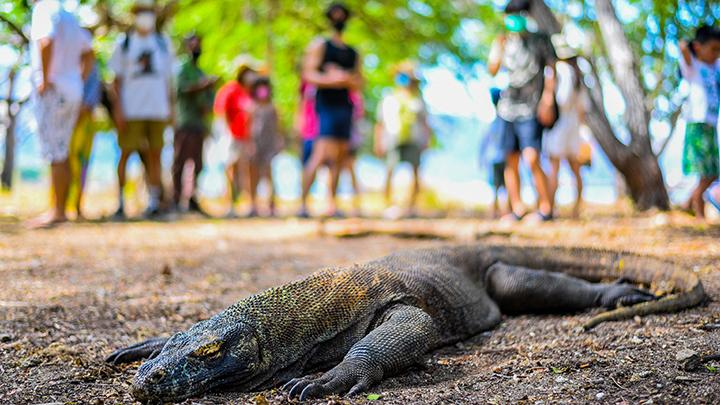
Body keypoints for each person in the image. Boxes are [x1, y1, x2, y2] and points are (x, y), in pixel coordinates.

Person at [487, 0, 557, 223]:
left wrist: (548, 99)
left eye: (517, 13)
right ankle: (517, 208)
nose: (513, 18)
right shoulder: (503, 41)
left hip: (531, 107)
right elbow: (492, 70)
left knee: (532, 157)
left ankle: (546, 208)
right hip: (507, 108)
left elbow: (551, 70)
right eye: (509, 14)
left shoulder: (540, 39)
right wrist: (497, 49)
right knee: (511, 158)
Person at [27, 0, 94, 229]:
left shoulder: (43, 10)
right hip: (72, 89)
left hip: (54, 89)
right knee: (62, 150)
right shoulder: (70, 16)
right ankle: (61, 209)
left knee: (54, 151)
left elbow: (46, 42)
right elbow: (90, 53)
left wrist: (45, 81)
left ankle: (57, 211)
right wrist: (78, 79)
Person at [109, 0, 175, 219]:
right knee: (126, 153)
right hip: (132, 109)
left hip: (157, 109)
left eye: (148, 12)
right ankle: (120, 202)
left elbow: (168, 80)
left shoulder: (163, 43)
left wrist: (171, 108)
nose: (145, 16)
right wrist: (118, 110)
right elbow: (115, 81)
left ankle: (154, 201)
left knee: (156, 154)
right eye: (141, 12)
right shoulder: (124, 43)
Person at [300, 2, 363, 218]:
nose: (339, 18)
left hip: (345, 107)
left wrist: (345, 79)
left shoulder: (353, 52)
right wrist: (332, 79)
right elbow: (308, 74)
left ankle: (331, 204)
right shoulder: (320, 45)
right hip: (325, 106)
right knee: (320, 154)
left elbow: (359, 81)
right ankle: (303, 204)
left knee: (339, 157)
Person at [374, 62, 431, 219]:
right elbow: (380, 123)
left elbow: (425, 122)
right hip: (393, 139)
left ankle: (412, 207)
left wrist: (427, 140)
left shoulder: (418, 100)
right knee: (390, 171)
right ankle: (388, 205)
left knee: (415, 172)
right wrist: (378, 142)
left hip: (414, 139)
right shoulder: (389, 98)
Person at [543, 35, 588, 219]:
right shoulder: (578, 73)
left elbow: (562, 99)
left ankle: (549, 209)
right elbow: (583, 107)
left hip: (560, 124)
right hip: (574, 125)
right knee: (575, 169)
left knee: (554, 167)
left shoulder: (560, 70)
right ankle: (577, 208)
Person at [678, 25, 720, 221]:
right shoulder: (693, 66)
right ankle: (698, 210)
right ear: (699, 47)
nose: (716, 54)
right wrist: (691, 46)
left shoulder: (715, 67)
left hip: (711, 125)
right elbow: (682, 47)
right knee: (705, 171)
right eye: (713, 49)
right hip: (697, 124)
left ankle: (688, 202)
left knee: (712, 170)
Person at [172, 34, 216, 216]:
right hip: (184, 122)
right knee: (180, 162)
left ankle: (192, 198)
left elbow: (207, 102)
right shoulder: (182, 69)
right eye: (193, 44)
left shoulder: (200, 72)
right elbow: (182, 89)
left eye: (198, 44)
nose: (196, 47)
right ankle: (175, 200)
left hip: (198, 123)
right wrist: (203, 85)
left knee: (198, 163)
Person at [214, 57, 260, 217]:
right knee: (231, 168)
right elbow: (222, 113)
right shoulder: (230, 90)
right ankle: (230, 204)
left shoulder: (252, 93)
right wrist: (229, 134)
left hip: (247, 137)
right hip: (232, 137)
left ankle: (251, 204)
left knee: (249, 168)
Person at [68, 60, 102, 220]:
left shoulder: (93, 66)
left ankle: (77, 204)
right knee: (64, 161)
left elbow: (93, 92)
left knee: (82, 162)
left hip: (86, 120)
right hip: (66, 119)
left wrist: (84, 109)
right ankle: (60, 204)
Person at [247, 77, 282, 217]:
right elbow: (249, 128)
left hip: (269, 145)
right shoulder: (252, 107)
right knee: (253, 174)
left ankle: (272, 204)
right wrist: (250, 144)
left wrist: (279, 142)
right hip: (256, 144)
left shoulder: (272, 108)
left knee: (268, 174)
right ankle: (253, 204)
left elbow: (278, 128)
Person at [479, 87, 509, 219]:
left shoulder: (495, 119)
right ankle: (498, 211)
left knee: (499, 187)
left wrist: (481, 158)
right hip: (497, 156)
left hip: (497, 156)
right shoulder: (497, 120)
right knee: (499, 187)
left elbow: (484, 142)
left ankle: (500, 211)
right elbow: (485, 142)